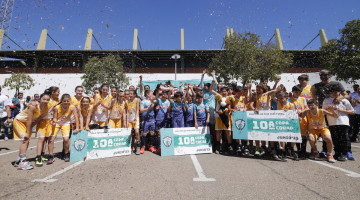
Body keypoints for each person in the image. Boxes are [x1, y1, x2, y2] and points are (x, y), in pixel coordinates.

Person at [13, 93, 50, 170]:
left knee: (27, 140)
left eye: (47, 100)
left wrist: (31, 128)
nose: (46, 101)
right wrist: (27, 132)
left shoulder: (46, 108)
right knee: (25, 140)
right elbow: (29, 120)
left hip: (26, 123)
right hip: (19, 121)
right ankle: (22, 162)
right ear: (40, 99)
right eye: (44, 99)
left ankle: (19, 160)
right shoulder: (33, 106)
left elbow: (38, 119)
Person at [323, 85, 355, 161]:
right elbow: (323, 111)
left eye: (336, 92)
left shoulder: (344, 101)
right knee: (335, 138)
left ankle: (345, 153)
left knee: (344, 138)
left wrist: (340, 110)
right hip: (332, 122)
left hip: (343, 122)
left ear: (339, 92)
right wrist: (330, 110)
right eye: (332, 92)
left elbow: (352, 111)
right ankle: (337, 153)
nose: (333, 93)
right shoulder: (326, 100)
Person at [52, 94, 80, 162]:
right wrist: (55, 121)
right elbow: (55, 118)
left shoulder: (72, 107)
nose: (66, 102)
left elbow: (76, 117)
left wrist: (77, 127)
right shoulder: (57, 107)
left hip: (66, 123)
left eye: (68, 101)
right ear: (61, 101)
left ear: (70, 101)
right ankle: (50, 155)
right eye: (64, 101)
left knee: (66, 139)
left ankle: (66, 154)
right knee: (51, 139)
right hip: (58, 123)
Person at [209, 79, 232, 154]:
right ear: (220, 92)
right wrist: (213, 82)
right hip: (218, 116)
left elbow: (230, 107)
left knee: (228, 132)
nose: (224, 92)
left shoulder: (229, 97)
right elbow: (211, 90)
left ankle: (229, 146)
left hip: (226, 116)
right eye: (223, 91)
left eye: (225, 91)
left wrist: (228, 112)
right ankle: (218, 147)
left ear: (227, 92)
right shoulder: (218, 96)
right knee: (218, 132)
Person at [289, 85, 309, 159]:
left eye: (299, 91)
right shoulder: (289, 99)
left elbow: (306, 107)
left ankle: (302, 151)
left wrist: (302, 111)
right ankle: (296, 150)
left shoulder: (303, 98)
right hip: (294, 119)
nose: (298, 93)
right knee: (296, 135)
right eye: (296, 91)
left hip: (302, 119)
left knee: (303, 135)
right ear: (293, 92)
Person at [127, 90, 141, 155]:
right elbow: (126, 111)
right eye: (129, 93)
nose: (130, 95)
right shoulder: (126, 101)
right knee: (129, 133)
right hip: (129, 119)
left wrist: (136, 118)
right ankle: (131, 147)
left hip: (135, 118)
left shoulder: (137, 100)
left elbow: (138, 109)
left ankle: (138, 147)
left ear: (134, 95)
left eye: (132, 94)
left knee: (137, 132)